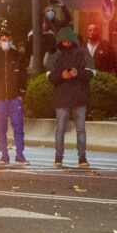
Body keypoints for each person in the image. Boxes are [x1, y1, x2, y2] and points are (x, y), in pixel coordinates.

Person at [0, 27, 28, 165]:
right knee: (1, 128)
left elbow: (23, 76)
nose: (5, 42)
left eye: (7, 40)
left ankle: (20, 155)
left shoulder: (17, 55)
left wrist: (21, 93)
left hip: (14, 98)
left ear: (11, 40)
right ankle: (4, 155)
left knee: (18, 127)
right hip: (0, 99)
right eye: (3, 40)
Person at [48, 26, 92, 168]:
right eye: (64, 41)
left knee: (80, 129)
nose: (66, 43)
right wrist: (62, 75)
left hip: (79, 97)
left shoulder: (82, 53)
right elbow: (50, 76)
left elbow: (91, 73)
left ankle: (82, 158)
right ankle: (58, 158)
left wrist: (77, 73)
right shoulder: (55, 55)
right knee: (60, 129)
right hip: (62, 98)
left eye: (68, 40)